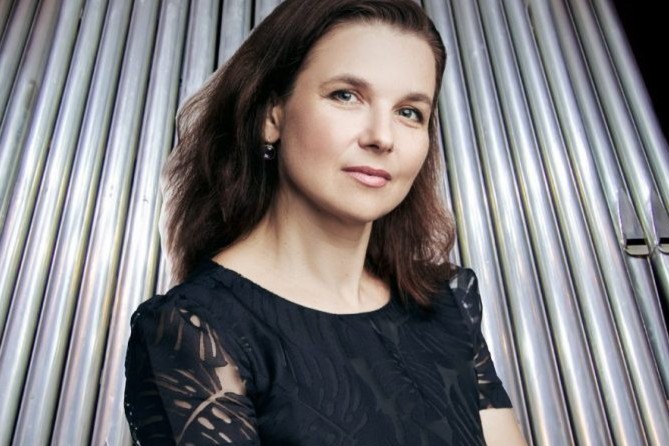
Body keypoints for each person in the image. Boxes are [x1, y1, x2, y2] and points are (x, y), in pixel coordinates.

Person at [124, 0, 527, 444]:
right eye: (346, 96)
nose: (382, 137)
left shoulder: (447, 303)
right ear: (272, 116)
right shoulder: (193, 331)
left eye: (409, 112)